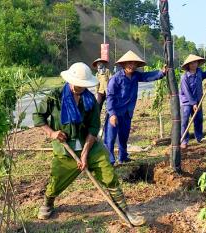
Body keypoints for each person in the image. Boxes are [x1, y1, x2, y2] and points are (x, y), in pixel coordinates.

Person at [33, 62, 145, 226]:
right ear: (70, 80)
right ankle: (48, 203)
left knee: (108, 174)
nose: (81, 88)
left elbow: (93, 127)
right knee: (57, 180)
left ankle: (125, 210)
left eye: (84, 85)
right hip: (65, 148)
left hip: (89, 145)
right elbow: (38, 116)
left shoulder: (89, 99)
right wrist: (52, 133)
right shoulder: (55, 96)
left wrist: (85, 153)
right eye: (78, 85)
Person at [104, 50, 167, 165]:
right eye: (129, 63)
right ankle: (110, 160)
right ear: (123, 64)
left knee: (124, 135)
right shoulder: (116, 79)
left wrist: (161, 73)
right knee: (110, 137)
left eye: (134, 64)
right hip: (115, 112)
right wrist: (112, 114)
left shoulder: (136, 76)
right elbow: (110, 97)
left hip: (127, 112)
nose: (131, 66)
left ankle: (123, 157)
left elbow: (147, 76)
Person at [179, 54, 206, 149]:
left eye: (195, 62)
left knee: (199, 119)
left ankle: (199, 137)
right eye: (191, 63)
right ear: (188, 65)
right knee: (185, 121)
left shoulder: (199, 72)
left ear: (197, 63)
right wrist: (193, 103)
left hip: (198, 100)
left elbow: (203, 75)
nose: (193, 64)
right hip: (187, 102)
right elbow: (186, 92)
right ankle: (184, 140)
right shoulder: (184, 77)